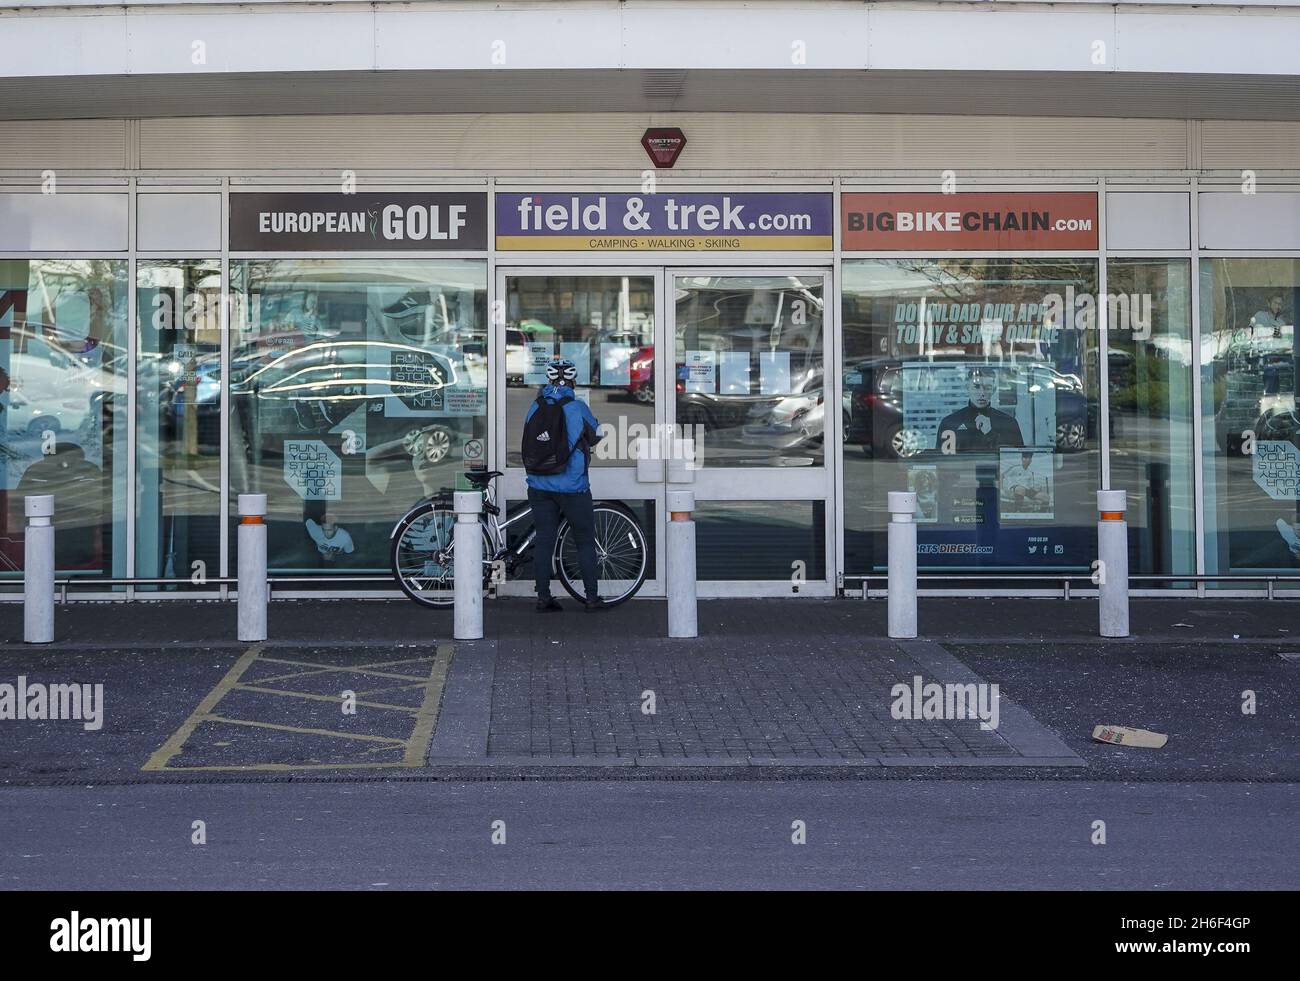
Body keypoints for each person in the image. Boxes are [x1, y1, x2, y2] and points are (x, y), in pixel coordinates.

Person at [523, 357, 607, 613]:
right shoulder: (577, 406)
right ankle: (591, 598)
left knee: (545, 540)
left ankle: (543, 597)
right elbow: (595, 435)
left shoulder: (534, 406)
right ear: (573, 381)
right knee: (584, 540)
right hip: (572, 487)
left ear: (548, 380)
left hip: (539, 484)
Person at [936, 366, 1025, 453]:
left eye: (987, 388)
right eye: (976, 387)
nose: (982, 393)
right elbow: (941, 463)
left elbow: (1016, 462)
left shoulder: (1008, 423)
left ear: (993, 390)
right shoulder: (950, 423)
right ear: (968, 388)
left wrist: (990, 433)